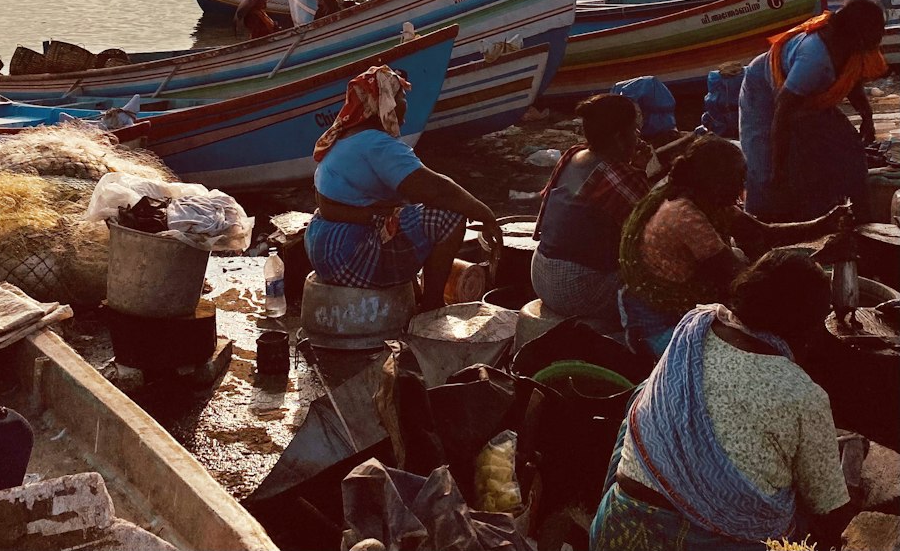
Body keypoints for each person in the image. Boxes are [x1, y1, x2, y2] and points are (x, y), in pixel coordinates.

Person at [591, 249, 855, 551]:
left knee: (642, 393)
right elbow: (829, 507)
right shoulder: (803, 395)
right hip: (706, 545)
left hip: (618, 528)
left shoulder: (694, 328)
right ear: (808, 325)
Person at [618, 135, 845, 359]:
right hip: (658, 322)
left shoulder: (706, 198)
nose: (742, 187)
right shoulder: (684, 216)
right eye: (738, 179)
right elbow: (742, 283)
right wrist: (812, 269)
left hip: (678, 302)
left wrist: (824, 224)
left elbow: (763, 232)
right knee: (752, 344)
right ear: (715, 181)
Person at [304, 65, 502, 309]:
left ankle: (416, 294)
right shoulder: (376, 144)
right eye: (400, 98)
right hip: (346, 253)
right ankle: (432, 306)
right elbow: (438, 190)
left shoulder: (347, 136)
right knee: (449, 215)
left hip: (322, 247)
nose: (405, 105)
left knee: (405, 211)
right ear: (384, 102)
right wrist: (486, 214)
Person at [738, 0, 888, 222]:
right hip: (765, 91)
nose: (881, 35)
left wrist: (867, 117)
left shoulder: (851, 48)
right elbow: (782, 112)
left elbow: (851, 79)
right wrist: (778, 169)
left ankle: (855, 214)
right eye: (877, 31)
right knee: (765, 168)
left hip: (810, 97)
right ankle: (760, 224)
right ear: (858, 34)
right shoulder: (814, 58)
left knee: (848, 147)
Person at [531, 94, 650, 336]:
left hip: (540, 273)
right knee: (657, 278)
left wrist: (634, 168)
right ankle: (639, 344)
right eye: (634, 131)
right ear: (619, 138)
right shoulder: (620, 175)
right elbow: (653, 224)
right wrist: (639, 170)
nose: (637, 138)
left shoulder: (571, 155)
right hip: (576, 288)